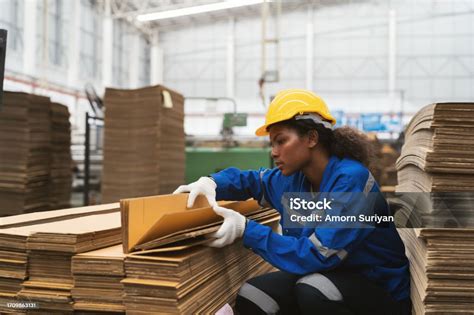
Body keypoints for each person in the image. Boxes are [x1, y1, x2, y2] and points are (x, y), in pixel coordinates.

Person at [174, 89, 411, 315]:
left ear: (311, 137)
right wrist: (213, 182)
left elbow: (319, 255)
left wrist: (247, 230)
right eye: (272, 144)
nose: (274, 152)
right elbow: (253, 181)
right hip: (331, 275)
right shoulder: (294, 179)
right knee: (254, 295)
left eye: (281, 141)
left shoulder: (351, 181)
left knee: (315, 290)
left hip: (379, 290)